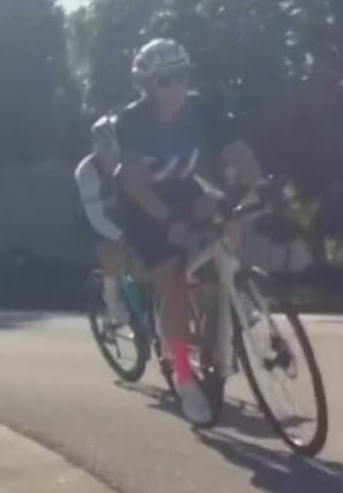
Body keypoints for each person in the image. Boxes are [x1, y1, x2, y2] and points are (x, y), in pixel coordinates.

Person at [116, 38, 262, 425]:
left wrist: (257, 187)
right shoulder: (132, 121)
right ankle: (182, 376)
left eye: (181, 77)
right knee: (174, 284)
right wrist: (168, 221)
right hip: (145, 207)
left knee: (228, 217)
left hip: (187, 192)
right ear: (146, 86)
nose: (176, 87)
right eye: (164, 81)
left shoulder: (204, 108)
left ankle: (227, 298)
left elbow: (238, 153)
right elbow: (135, 184)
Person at [74, 114, 130, 327]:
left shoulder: (128, 159)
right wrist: (120, 236)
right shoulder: (87, 171)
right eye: (106, 150)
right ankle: (114, 309)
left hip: (120, 212)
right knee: (112, 257)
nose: (112, 157)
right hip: (92, 219)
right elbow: (96, 217)